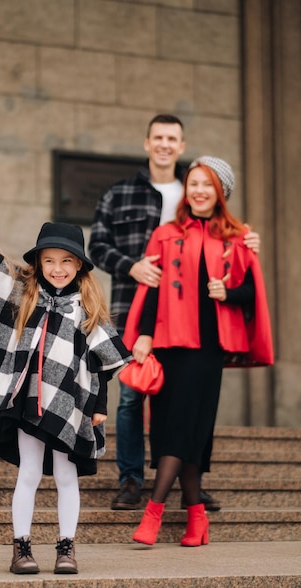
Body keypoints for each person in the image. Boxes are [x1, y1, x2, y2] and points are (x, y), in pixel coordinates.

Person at [0, 221, 131, 574]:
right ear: (39, 263)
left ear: (80, 266)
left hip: (70, 405)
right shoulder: (27, 294)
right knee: (30, 472)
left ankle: (66, 547)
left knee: (67, 476)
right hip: (28, 399)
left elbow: (103, 363)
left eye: (67, 261)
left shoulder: (87, 310)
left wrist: (99, 408)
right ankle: (21, 547)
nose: (57, 269)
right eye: (49, 261)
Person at [88, 114, 260, 512]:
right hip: (134, 306)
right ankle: (131, 481)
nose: (165, 144)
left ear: (181, 146)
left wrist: (246, 239)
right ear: (147, 143)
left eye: (173, 138)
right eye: (158, 137)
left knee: (186, 401)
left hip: (190, 319)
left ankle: (190, 483)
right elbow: (96, 245)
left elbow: (221, 237)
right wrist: (130, 265)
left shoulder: (198, 187)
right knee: (132, 396)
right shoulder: (120, 193)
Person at [122, 156, 274, 547]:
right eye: (193, 183)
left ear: (221, 191)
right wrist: (142, 334)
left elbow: (252, 292)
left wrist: (228, 291)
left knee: (184, 426)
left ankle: (153, 512)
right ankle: (196, 517)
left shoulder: (238, 237)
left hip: (207, 349)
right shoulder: (166, 232)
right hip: (169, 342)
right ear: (186, 190)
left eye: (208, 184)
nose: (200, 191)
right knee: (182, 430)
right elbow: (152, 286)